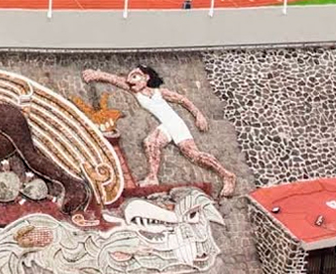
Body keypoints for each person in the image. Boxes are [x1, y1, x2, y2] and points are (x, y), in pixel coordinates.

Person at [81, 65, 236, 196]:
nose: (130, 80)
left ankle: (227, 175)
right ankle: (152, 177)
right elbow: (115, 80)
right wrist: (96, 75)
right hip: (165, 126)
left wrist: (198, 115)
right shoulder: (135, 91)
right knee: (150, 142)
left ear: (146, 78)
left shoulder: (159, 92)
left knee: (194, 156)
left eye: (135, 76)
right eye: (130, 77)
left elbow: (183, 100)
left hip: (175, 124)